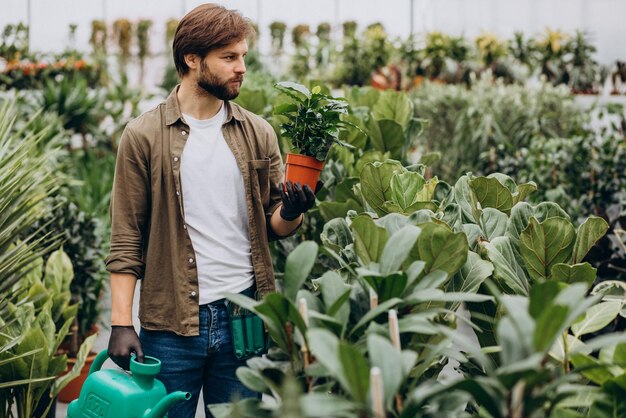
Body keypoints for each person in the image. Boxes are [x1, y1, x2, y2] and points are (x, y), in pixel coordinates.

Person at [104, 4, 319, 417]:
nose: (241, 68)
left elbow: (274, 225)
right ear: (192, 59)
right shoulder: (144, 136)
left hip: (245, 317)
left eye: (243, 57)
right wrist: (120, 322)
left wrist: (291, 211)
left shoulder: (258, 132)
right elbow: (127, 233)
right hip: (171, 325)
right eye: (229, 57)